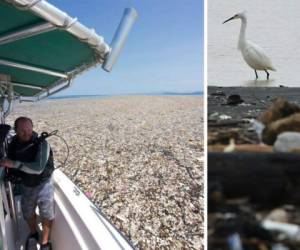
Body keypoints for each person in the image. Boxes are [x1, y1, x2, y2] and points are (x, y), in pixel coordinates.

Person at [0, 117, 54, 250]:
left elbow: (38, 168)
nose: (27, 133)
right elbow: (10, 160)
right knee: (27, 212)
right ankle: (34, 233)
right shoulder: (13, 144)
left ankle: (45, 242)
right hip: (26, 184)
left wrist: (13, 164)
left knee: (46, 213)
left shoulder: (42, 144)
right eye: (22, 130)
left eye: (29, 129)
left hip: (43, 183)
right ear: (16, 130)